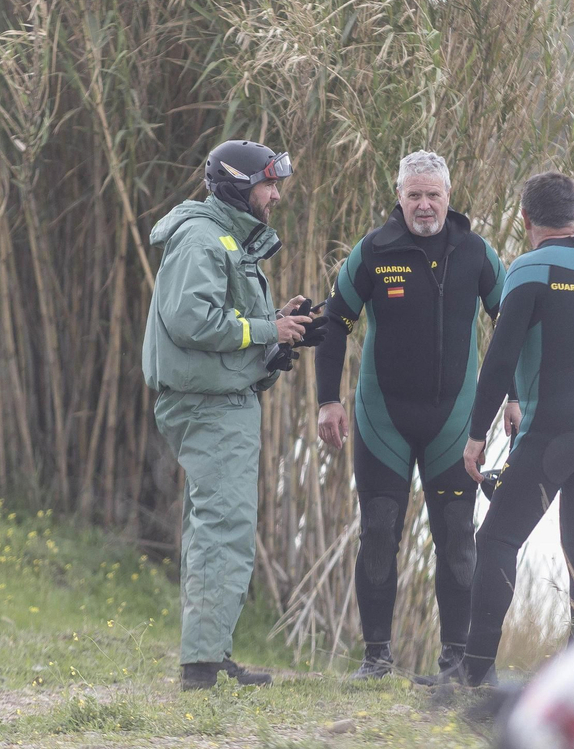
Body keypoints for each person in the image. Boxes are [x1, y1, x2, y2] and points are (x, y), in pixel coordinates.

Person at [315, 150, 520, 680]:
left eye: (433, 195)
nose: (424, 205)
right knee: (379, 531)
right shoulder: (374, 252)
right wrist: (327, 400)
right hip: (384, 418)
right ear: (399, 197)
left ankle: (455, 657)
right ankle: (376, 657)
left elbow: (511, 321)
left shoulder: (475, 252)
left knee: (456, 536)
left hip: (453, 423)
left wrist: (516, 397)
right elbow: (335, 321)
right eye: (414, 195)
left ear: (448, 197)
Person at [142, 139, 327, 690]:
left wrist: (277, 320)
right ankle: (202, 669)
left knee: (216, 530)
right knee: (223, 530)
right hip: (210, 407)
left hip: (220, 403)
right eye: (268, 185)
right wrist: (269, 330)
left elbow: (219, 318)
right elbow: (190, 321)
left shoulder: (221, 236)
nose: (274, 195)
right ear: (237, 186)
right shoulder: (203, 238)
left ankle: (210, 655)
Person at [459, 171, 574, 687]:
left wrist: (477, 435)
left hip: (552, 434)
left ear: (526, 220)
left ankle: (474, 677)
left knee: (497, 540)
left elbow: (499, 360)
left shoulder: (530, 268)